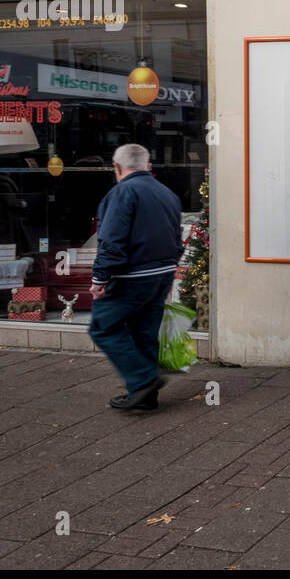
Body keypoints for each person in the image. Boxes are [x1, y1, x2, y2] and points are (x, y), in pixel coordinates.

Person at [88, 143, 183, 411]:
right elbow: (177, 239)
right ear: (147, 165)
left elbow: (111, 240)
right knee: (145, 333)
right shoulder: (167, 193)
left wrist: (99, 279)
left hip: (133, 275)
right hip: (161, 273)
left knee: (103, 327)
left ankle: (143, 381)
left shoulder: (122, 193)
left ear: (117, 168)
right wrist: (169, 271)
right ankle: (143, 397)